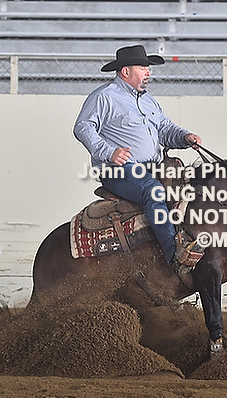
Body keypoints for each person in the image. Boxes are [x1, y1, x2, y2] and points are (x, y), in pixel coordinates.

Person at [73, 44, 202, 269]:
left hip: (153, 166)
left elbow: (164, 128)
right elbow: (83, 127)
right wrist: (109, 152)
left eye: (147, 68)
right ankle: (174, 256)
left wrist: (184, 137)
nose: (148, 72)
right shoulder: (104, 96)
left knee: (195, 186)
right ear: (126, 71)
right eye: (143, 68)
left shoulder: (147, 99)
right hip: (119, 170)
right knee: (153, 191)